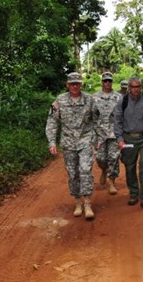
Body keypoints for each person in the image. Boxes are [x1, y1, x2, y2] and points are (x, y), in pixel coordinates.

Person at [45, 72, 97, 220]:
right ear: (67, 85)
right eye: (72, 83)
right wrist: (52, 142)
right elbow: (52, 122)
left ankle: (87, 203)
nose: (75, 86)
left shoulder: (89, 100)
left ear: (81, 84)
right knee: (73, 173)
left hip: (85, 140)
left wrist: (97, 138)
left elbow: (97, 119)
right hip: (68, 143)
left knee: (85, 170)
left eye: (77, 83)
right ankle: (77, 202)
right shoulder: (59, 101)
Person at [113, 76, 143, 210]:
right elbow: (117, 121)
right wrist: (119, 139)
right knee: (129, 167)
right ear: (129, 87)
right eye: (133, 87)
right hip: (128, 139)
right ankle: (134, 193)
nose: (135, 89)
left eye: (138, 86)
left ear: (141, 87)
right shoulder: (122, 101)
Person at [92, 71, 123, 195]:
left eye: (110, 81)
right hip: (99, 133)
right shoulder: (94, 97)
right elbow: (91, 116)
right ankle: (104, 170)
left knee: (114, 158)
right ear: (102, 82)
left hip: (114, 132)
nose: (107, 83)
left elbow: (122, 115)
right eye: (105, 81)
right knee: (100, 158)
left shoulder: (119, 97)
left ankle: (111, 182)